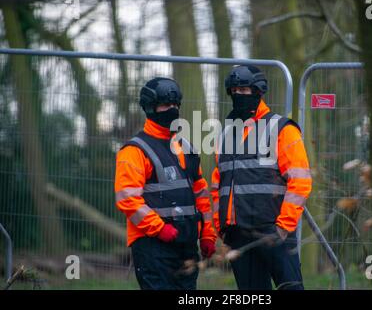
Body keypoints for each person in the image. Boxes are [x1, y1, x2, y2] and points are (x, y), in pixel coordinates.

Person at [210, 65, 313, 290]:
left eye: (244, 90)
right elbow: (218, 184)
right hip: (237, 234)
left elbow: (300, 181)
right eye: (234, 91)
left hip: (274, 232)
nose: (239, 95)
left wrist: (282, 228)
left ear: (258, 91)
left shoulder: (282, 129)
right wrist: (221, 226)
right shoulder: (226, 134)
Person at [115, 77, 216, 290]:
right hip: (152, 247)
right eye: (165, 105)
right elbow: (128, 200)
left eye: (175, 105)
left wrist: (207, 232)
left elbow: (201, 194)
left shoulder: (186, 147)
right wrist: (159, 228)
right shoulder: (134, 151)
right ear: (151, 107)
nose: (171, 109)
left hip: (186, 245)